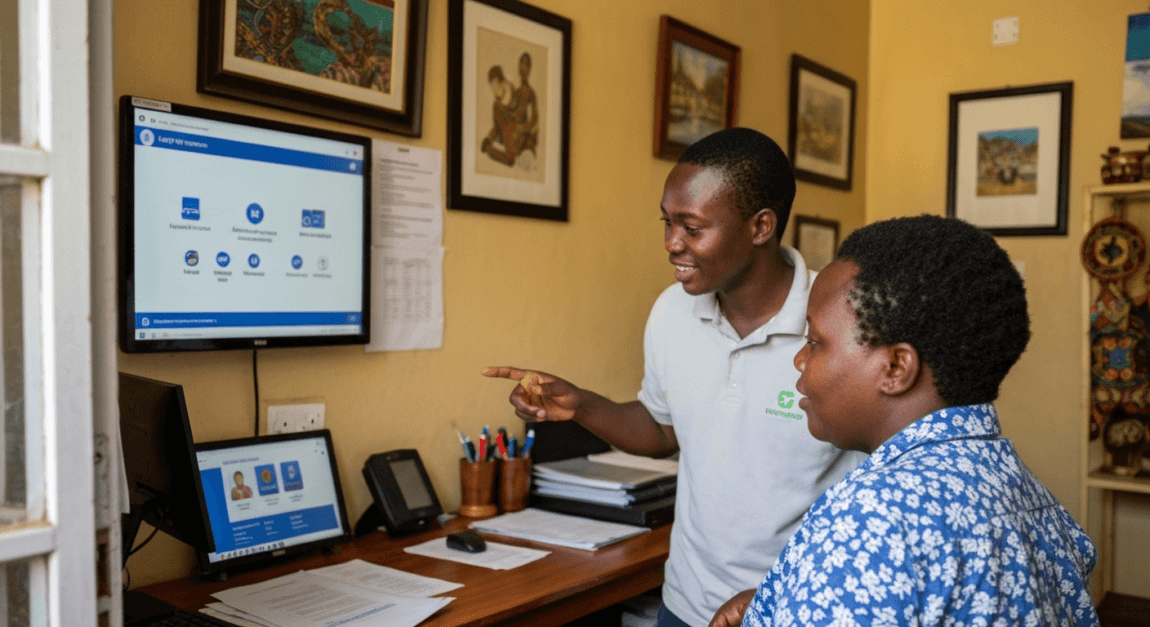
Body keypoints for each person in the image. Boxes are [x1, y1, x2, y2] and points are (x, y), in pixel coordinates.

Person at [483, 127, 864, 627]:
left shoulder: (839, 320)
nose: (670, 244)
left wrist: (797, 595)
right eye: (666, 223)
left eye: (692, 227)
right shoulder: (671, 311)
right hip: (686, 605)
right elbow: (664, 431)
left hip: (794, 611)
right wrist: (582, 406)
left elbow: (887, 478)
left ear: (761, 226)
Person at [711, 215, 1098, 626]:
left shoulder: (868, 520)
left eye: (815, 341)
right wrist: (789, 598)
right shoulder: (1031, 494)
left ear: (896, 367)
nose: (800, 359)